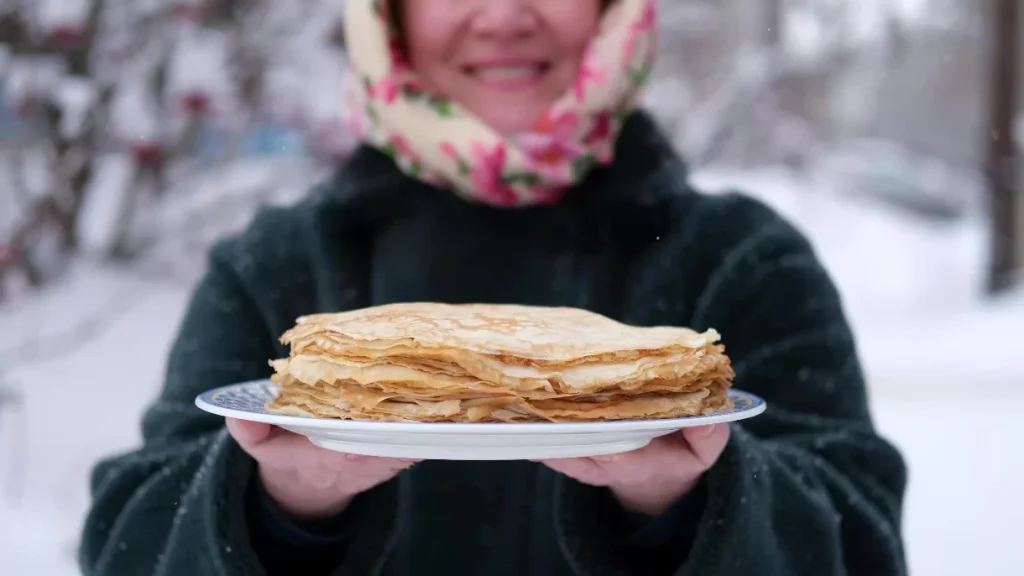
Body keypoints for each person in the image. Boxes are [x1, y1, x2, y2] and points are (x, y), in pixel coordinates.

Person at [78, 0, 908, 575]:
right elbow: (125, 548)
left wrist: (696, 502)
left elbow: (860, 546)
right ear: (390, 15)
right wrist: (275, 503)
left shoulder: (745, 262)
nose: (506, 15)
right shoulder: (276, 268)